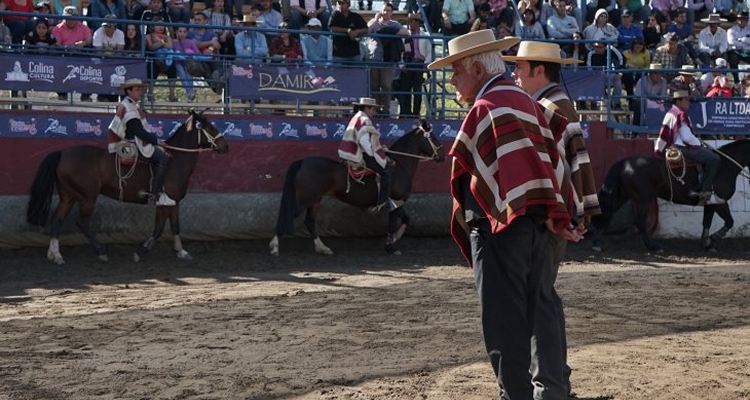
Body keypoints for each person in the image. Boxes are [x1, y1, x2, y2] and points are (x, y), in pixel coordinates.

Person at [426, 29, 581, 400]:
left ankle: (515, 395)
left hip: (499, 226)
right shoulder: (529, 102)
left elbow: (469, 171)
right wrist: (556, 210)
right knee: (541, 306)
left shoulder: (485, 107)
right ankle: (553, 391)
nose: (452, 81)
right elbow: (552, 161)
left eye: (456, 71)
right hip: (543, 221)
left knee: (502, 318)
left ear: (477, 69)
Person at [505, 40, 600, 400]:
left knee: (539, 298)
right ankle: (556, 379)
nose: (515, 74)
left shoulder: (546, 106)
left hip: (549, 215)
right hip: (557, 213)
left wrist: (553, 213)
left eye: (520, 67)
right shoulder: (557, 103)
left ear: (539, 70)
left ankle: (551, 385)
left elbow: (550, 169)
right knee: (544, 296)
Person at [107, 78, 174, 206]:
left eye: (141, 89)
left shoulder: (130, 105)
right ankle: (156, 194)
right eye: (137, 90)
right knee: (162, 158)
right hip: (132, 143)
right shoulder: (128, 107)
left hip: (134, 141)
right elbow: (137, 131)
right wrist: (156, 141)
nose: (140, 92)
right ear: (128, 91)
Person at [654, 90, 722, 203]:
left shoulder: (671, 113)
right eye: (686, 100)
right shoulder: (680, 115)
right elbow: (686, 138)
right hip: (682, 148)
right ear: (679, 101)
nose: (689, 102)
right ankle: (704, 190)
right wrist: (699, 144)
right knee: (714, 159)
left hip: (673, 146)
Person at [337, 97, 395, 212]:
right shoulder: (364, 120)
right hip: (359, 153)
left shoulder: (357, 117)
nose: (374, 112)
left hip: (351, 151)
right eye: (373, 109)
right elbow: (364, 141)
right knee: (385, 172)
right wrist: (375, 155)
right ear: (367, 108)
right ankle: (383, 202)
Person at [366, 2, 408, 116]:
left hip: (387, 59)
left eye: (388, 10)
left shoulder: (394, 24)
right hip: (374, 57)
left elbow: (406, 32)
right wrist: (375, 20)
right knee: (374, 85)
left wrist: (389, 32)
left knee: (386, 85)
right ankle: (375, 110)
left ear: (392, 12)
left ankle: (385, 110)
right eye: (384, 10)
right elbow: (366, 31)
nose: (386, 12)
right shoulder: (374, 23)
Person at [398, 12, 431, 118]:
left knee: (417, 91)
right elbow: (400, 51)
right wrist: (401, 65)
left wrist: (426, 64)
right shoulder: (404, 34)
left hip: (419, 63)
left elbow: (429, 52)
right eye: (408, 21)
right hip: (407, 62)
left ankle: (415, 114)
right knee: (405, 90)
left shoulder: (425, 36)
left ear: (417, 22)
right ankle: (406, 113)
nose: (409, 24)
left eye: (411, 21)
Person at [727, 11, 750, 84]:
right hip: (736, 52)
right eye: (740, 18)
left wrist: (743, 40)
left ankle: (748, 80)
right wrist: (746, 43)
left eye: (744, 19)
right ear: (737, 20)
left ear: (747, 20)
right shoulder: (731, 30)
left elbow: (736, 42)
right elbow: (731, 42)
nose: (742, 20)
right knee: (733, 58)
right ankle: (736, 80)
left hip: (746, 52)